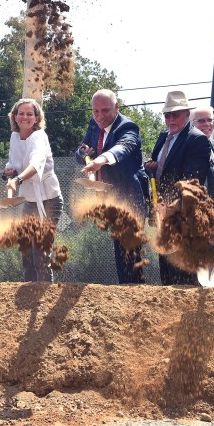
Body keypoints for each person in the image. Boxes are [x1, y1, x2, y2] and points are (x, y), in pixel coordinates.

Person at [75, 89, 147, 284]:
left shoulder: (128, 126)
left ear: (117, 107)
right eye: (95, 111)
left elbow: (123, 147)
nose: (100, 117)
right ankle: (127, 294)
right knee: (120, 254)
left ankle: (134, 296)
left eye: (105, 111)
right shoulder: (94, 125)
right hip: (108, 201)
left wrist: (102, 159)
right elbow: (80, 151)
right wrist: (84, 154)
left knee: (130, 255)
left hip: (129, 200)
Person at [144, 91, 210, 286]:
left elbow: (192, 183)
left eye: (175, 114)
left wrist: (171, 208)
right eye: (167, 115)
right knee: (167, 271)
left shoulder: (196, 140)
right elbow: (160, 164)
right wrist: (152, 166)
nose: (170, 119)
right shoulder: (164, 136)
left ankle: (189, 316)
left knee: (183, 274)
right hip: (163, 215)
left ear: (187, 114)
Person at [3, 98, 63, 282]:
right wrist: (9, 170)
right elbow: (14, 162)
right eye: (21, 113)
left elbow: (36, 164)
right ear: (14, 116)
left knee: (41, 252)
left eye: (30, 114)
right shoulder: (14, 137)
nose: (25, 117)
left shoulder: (39, 136)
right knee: (26, 250)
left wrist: (18, 179)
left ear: (37, 118)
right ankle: (28, 292)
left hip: (49, 200)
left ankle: (44, 295)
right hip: (29, 200)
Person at [191, 105, 214, 198]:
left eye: (209, 120)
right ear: (191, 124)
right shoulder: (185, 147)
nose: (206, 124)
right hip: (195, 203)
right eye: (201, 121)